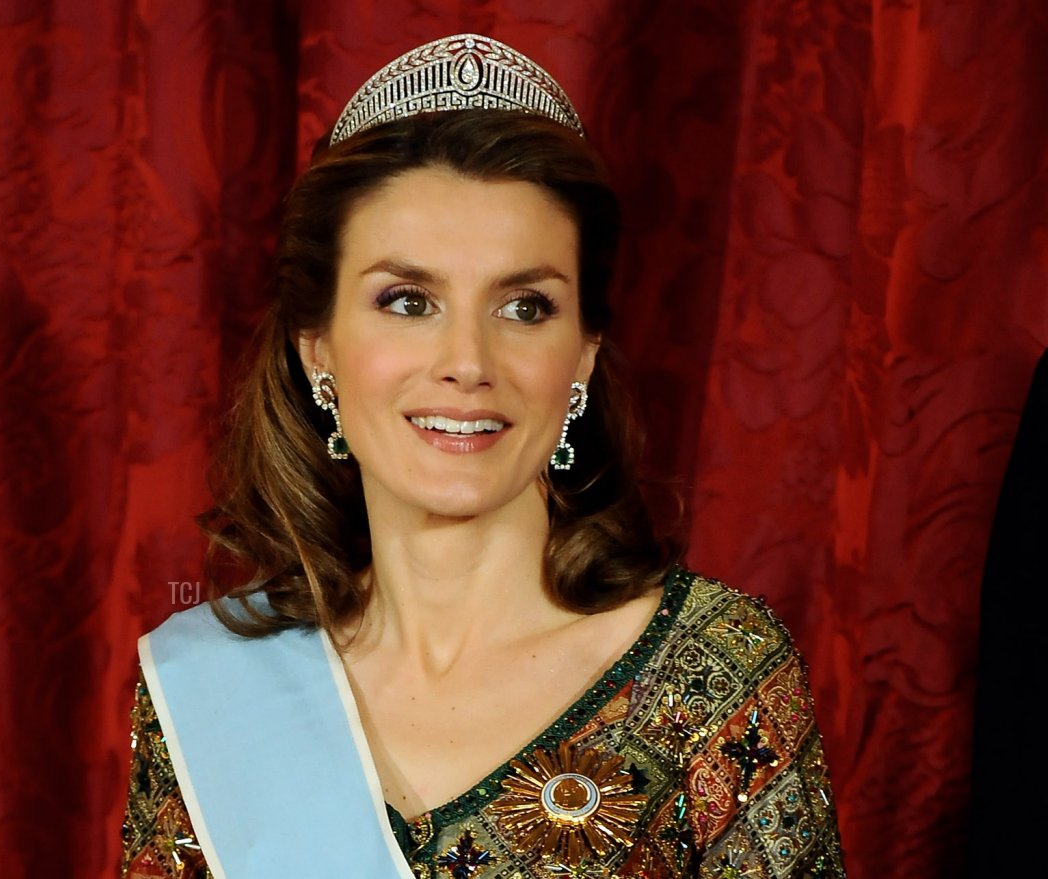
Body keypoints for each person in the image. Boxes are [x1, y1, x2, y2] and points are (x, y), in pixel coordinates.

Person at [119, 34, 845, 879]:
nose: (467, 360)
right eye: (409, 300)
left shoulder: (715, 679)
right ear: (318, 347)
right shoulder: (210, 694)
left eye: (525, 306)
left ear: (582, 354)